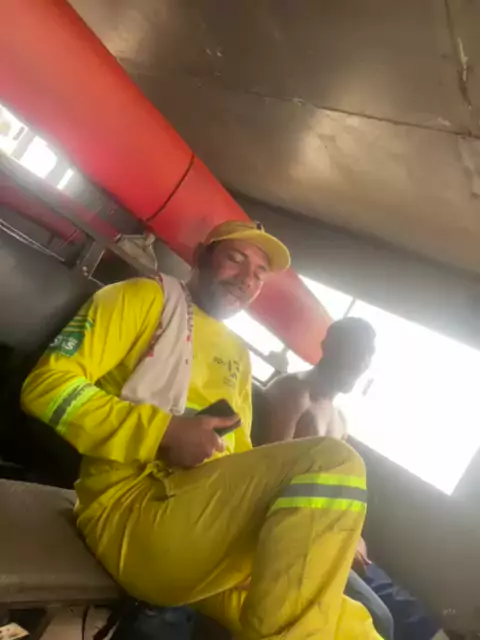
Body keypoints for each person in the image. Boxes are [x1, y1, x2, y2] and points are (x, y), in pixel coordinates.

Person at [21, 221, 380, 640]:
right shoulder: (142, 298)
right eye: (235, 259)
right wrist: (164, 432)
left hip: (204, 525)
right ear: (201, 256)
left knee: (360, 628)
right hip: (131, 512)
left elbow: (240, 454)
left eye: (259, 274)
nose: (246, 279)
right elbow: (45, 387)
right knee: (334, 463)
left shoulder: (238, 355)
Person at [261, 317, 443, 640]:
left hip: (328, 528)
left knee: (412, 612)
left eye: (364, 358)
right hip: (296, 532)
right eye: (352, 354)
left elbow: (337, 486)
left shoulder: (339, 419)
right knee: (380, 619)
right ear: (328, 346)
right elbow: (265, 478)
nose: (359, 365)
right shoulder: (294, 393)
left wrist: (354, 535)